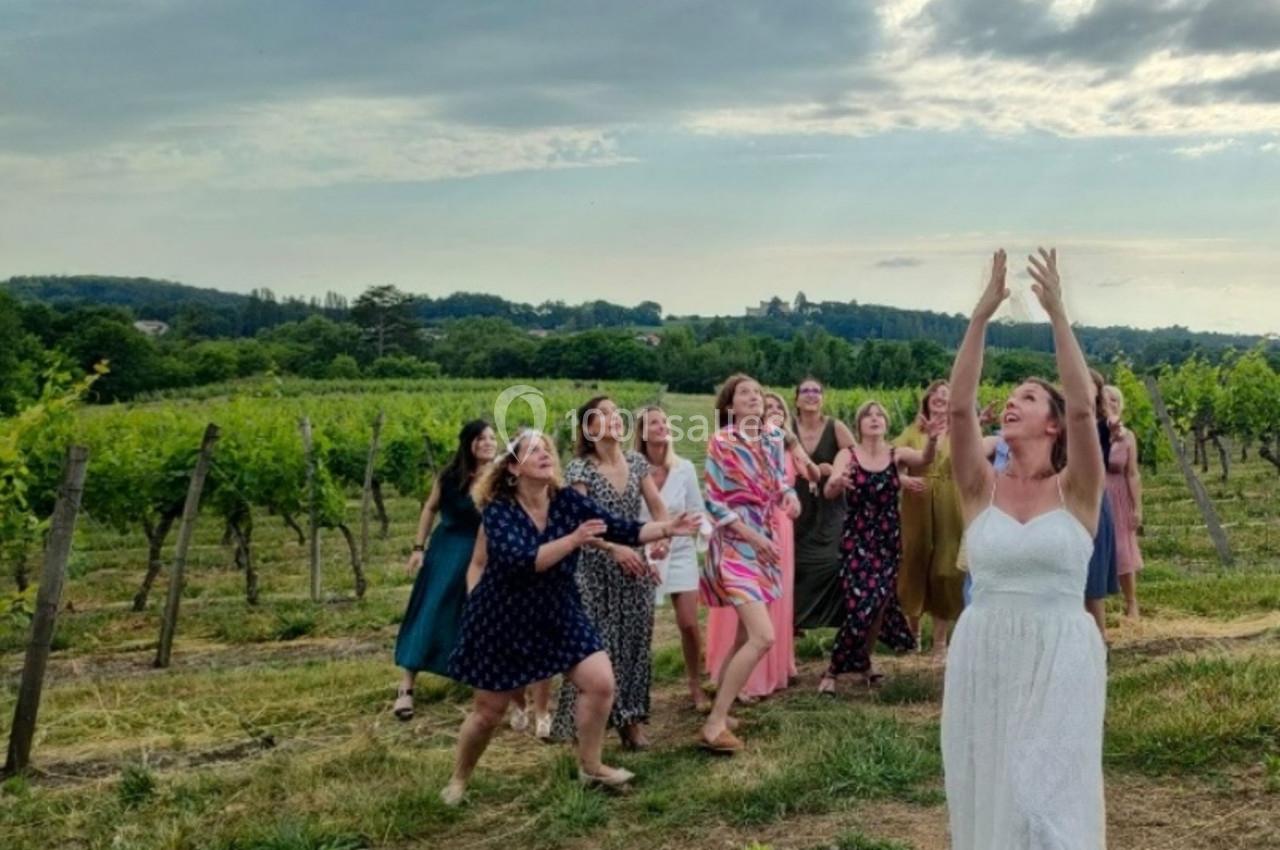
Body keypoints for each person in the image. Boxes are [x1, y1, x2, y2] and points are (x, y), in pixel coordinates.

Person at [942, 248, 1107, 849]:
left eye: (1029, 398)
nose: (1011, 402)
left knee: (1045, 800)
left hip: (1062, 652)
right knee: (994, 791)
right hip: (985, 651)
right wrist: (980, 315)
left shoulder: (1079, 491)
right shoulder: (977, 490)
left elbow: (1085, 403)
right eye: (1009, 396)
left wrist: (1058, 314)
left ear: (1053, 424)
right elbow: (959, 407)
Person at [441, 430, 699, 805]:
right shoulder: (500, 510)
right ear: (513, 467)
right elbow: (522, 561)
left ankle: (590, 765)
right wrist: (573, 540)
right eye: (533, 451)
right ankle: (459, 779)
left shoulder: (565, 502)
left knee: (600, 683)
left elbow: (619, 526)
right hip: (502, 617)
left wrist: (666, 527)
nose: (546, 454)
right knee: (488, 713)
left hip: (558, 610)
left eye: (547, 449)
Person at [550, 396, 670, 750]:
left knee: (635, 644)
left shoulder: (636, 462)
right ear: (589, 429)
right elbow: (577, 524)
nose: (613, 418)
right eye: (603, 414)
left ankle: (630, 720)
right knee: (595, 648)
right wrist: (612, 548)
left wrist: (661, 538)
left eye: (616, 413)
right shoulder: (580, 470)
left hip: (633, 567)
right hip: (592, 569)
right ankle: (584, 727)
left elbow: (658, 507)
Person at [699, 374, 801, 753]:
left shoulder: (774, 439)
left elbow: (779, 482)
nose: (755, 398)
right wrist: (754, 537)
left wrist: (791, 497)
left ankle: (720, 709)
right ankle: (713, 726)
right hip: (735, 546)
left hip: (765, 542)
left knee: (744, 635)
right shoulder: (721, 442)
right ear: (730, 406)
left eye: (758, 392)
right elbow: (713, 501)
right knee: (763, 636)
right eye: (746, 393)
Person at [819, 401, 937, 693]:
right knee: (860, 607)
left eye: (879, 415)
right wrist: (837, 481)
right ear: (859, 425)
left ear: (886, 424)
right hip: (856, 539)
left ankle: (866, 662)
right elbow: (830, 488)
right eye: (868, 416)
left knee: (879, 606)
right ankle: (833, 670)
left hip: (887, 541)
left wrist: (933, 439)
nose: (874, 419)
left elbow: (923, 459)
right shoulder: (847, 455)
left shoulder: (896, 454)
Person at [392, 420, 496, 722]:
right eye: (481, 438)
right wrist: (418, 548)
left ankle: (482, 682)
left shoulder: (503, 475)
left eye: (492, 437)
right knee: (432, 609)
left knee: (479, 615)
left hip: (486, 552)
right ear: (469, 443)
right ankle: (406, 686)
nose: (488, 443)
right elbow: (430, 508)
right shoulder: (450, 476)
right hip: (449, 549)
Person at [636, 405, 709, 711]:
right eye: (654, 423)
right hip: (645, 553)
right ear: (641, 431)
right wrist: (647, 549)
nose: (662, 426)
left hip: (679, 551)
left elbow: (697, 509)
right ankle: (636, 691)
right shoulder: (633, 470)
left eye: (665, 421)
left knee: (690, 624)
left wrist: (697, 528)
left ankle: (695, 684)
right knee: (642, 628)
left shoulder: (684, 468)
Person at [896, 380, 966, 659]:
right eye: (935, 395)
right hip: (918, 501)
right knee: (914, 564)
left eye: (946, 396)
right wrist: (903, 479)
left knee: (946, 570)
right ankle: (913, 637)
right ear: (926, 401)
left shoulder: (961, 433)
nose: (940, 399)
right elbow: (891, 461)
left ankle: (940, 642)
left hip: (951, 500)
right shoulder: (912, 432)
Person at [790, 377, 857, 631]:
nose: (811, 395)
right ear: (796, 398)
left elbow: (854, 456)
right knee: (793, 564)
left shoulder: (836, 427)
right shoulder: (787, 429)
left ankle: (834, 622)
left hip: (829, 507)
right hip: (796, 504)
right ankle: (793, 623)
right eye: (805, 390)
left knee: (832, 561)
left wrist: (836, 470)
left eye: (816, 391)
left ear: (823, 397)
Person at [1085, 370, 1120, 641]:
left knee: (1092, 578)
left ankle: (1100, 641)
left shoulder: (1102, 425)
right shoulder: (1058, 420)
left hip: (1092, 500)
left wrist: (1113, 426)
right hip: (1062, 499)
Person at [1104, 384, 1144, 618]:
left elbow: (1132, 473)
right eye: (1105, 400)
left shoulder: (1127, 436)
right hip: (1095, 492)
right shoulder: (1091, 431)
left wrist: (1137, 506)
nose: (1110, 404)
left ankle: (1131, 602)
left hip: (1117, 495)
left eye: (1115, 400)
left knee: (1123, 547)